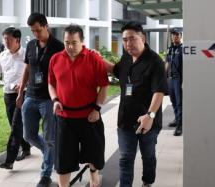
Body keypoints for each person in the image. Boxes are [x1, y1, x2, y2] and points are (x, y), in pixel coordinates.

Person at [104, 22, 168, 187]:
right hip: (125, 119)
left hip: (147, 121)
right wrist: (93, 57)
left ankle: (147, 182)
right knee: (125, 158)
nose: (128, 43)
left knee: (148, 156)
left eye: (132, 39)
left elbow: (159, 91)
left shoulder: (155, 62)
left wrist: (150, 115)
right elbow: (115, 70)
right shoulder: (126, 57)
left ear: (143, 38)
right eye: (125, 39)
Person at [48, 24, 109, 187]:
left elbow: (104, 86)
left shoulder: (93, 58)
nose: (70, 46)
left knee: (95, 154)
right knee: (63, 158)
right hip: (64, 117)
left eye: (74, 42)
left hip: (89, 116)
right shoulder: (56, 59)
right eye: (67, 42)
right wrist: (55, 100)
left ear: (82, 41)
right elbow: (51, 84)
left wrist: (97, 109)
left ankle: (94, 175)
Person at [16, 13, 64, 187]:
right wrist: (21, 92)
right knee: (28, 135)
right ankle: (49, 152)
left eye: (38, 30)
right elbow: (27, 69)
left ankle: (45, 174)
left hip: (49, 99)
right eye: (32, 31)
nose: (35, 34)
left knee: (50, 138)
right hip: (30, 96)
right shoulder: (30, 45)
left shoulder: (59, 47)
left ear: (46, 26)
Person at [0, 27, 31, 170]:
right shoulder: (3, 55)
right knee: (14, 125)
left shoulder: (26, 54)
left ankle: (9, 160)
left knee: (16, 125)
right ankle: (26, 147)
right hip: (7, 95)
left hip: (22, 94)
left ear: (17, 40)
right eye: (4, 39)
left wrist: (24, 83)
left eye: (9, 39)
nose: (6, 42)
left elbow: (33, 72)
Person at [166, 28, 183, 136]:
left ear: (181, 36)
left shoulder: (183, 49)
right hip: (170, 79)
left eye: (177, 35)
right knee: (173, 101)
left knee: (179, 103)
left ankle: (180, 125)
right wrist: (163, 77)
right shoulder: (170, 49)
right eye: (173, 35)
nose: (175, 36)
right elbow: (167, 63)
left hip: (178, 79)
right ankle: (177, 119)